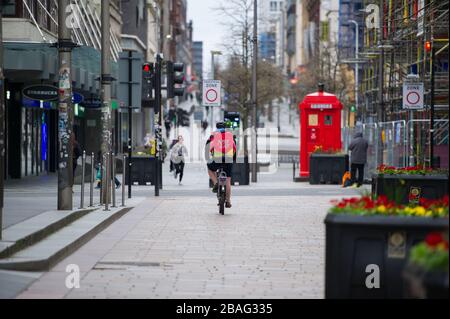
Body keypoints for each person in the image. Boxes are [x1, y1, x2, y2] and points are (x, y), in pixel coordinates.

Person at [205, 122, 236, 208]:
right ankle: (228, 201)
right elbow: (234, 147)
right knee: (228, 180)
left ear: (217, 127)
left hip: (217, 159)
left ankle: (215, 183)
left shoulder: (213, 135)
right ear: (225, 127)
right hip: (228, 159)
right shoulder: (230, 135)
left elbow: (208, 146)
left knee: (210, 168)